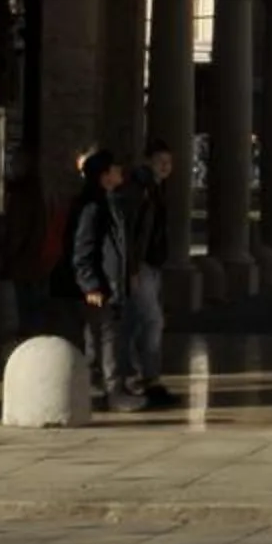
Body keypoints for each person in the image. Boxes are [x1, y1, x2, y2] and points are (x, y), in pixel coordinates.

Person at [56, 150, 141, 412]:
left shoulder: (108, 202)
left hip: (111, 283)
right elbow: (83, 249)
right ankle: (110, 393)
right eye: (116, 169)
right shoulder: (92, 206)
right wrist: (90, 284)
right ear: (104, 175)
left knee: (105, 338)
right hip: (99, 286)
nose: (120, 173)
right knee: (104, 340)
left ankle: (105, 391)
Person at [121, 141, 175, 407]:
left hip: (151, 264)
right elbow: (131, 232)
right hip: (140, 264)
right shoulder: (140, 190)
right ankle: (145, 378)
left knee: (140, 321)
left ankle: (142, 377)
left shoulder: (155, 189)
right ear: (148, 162)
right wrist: (131, 268)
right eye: (160, 160)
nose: (165, 166)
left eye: (169, 162)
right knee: (151, 321)